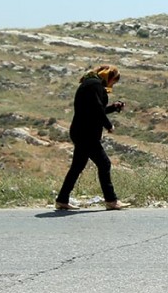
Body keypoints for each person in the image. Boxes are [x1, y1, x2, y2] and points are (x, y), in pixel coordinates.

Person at [55, 65, 128, 211]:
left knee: (77, 167)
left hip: (81, 132)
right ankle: (111, 200)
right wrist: (108, 125)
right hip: (86, 134)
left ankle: (62, 200)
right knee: (104, 164)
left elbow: (96, 109)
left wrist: (113, 107)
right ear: (109, 76)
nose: (112, 85)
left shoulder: (90, 84)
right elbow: (96, 109)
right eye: (113, 81)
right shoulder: (94, 85)